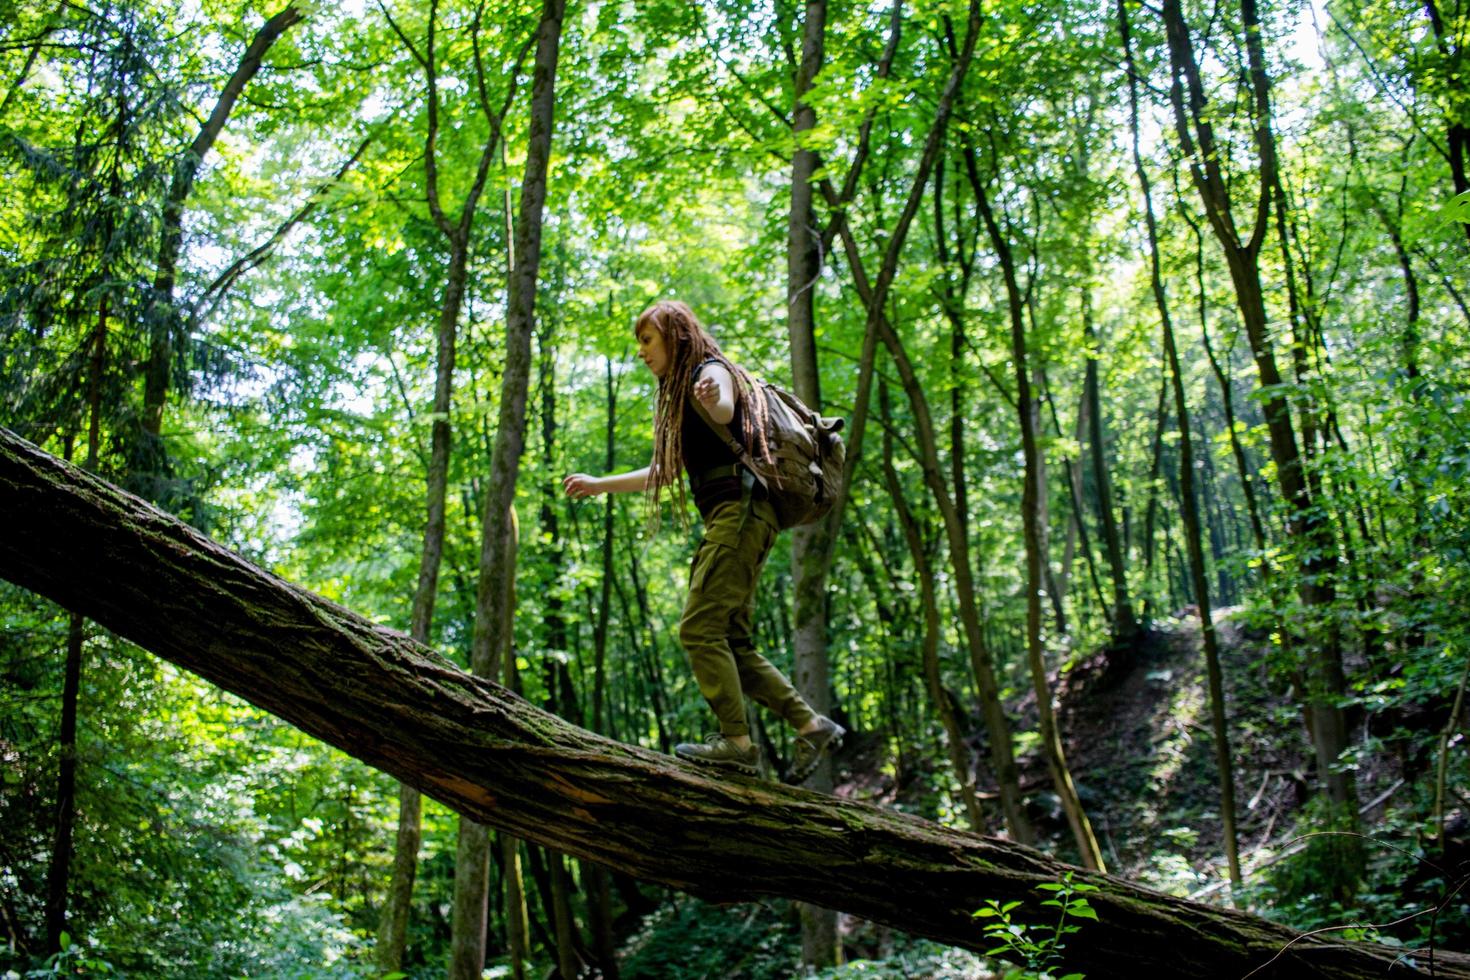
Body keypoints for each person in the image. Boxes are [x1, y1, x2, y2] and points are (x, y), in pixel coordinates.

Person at [563, 300, 844, 781]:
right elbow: (667, 471)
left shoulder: (711, 371)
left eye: (647, 341)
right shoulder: (682, 394)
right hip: (738, 518)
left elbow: (725, 405)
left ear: (676, 335)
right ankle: (809, 723)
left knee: (698, 629)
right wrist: (598, 483)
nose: (642, 352)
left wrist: (713, 392)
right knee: (731, 640)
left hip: (741, 513)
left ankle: (737, 745)